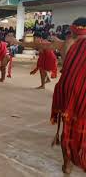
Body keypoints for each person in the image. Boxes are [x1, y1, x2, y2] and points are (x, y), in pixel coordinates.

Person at [50, 17, 86, 174]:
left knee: (68, 131)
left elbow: (38, 45)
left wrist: (17, 43)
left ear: (73, 30)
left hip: (70, 96)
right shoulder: (69, 43)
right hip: (81, 97)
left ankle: (67, 165)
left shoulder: (67, 43)